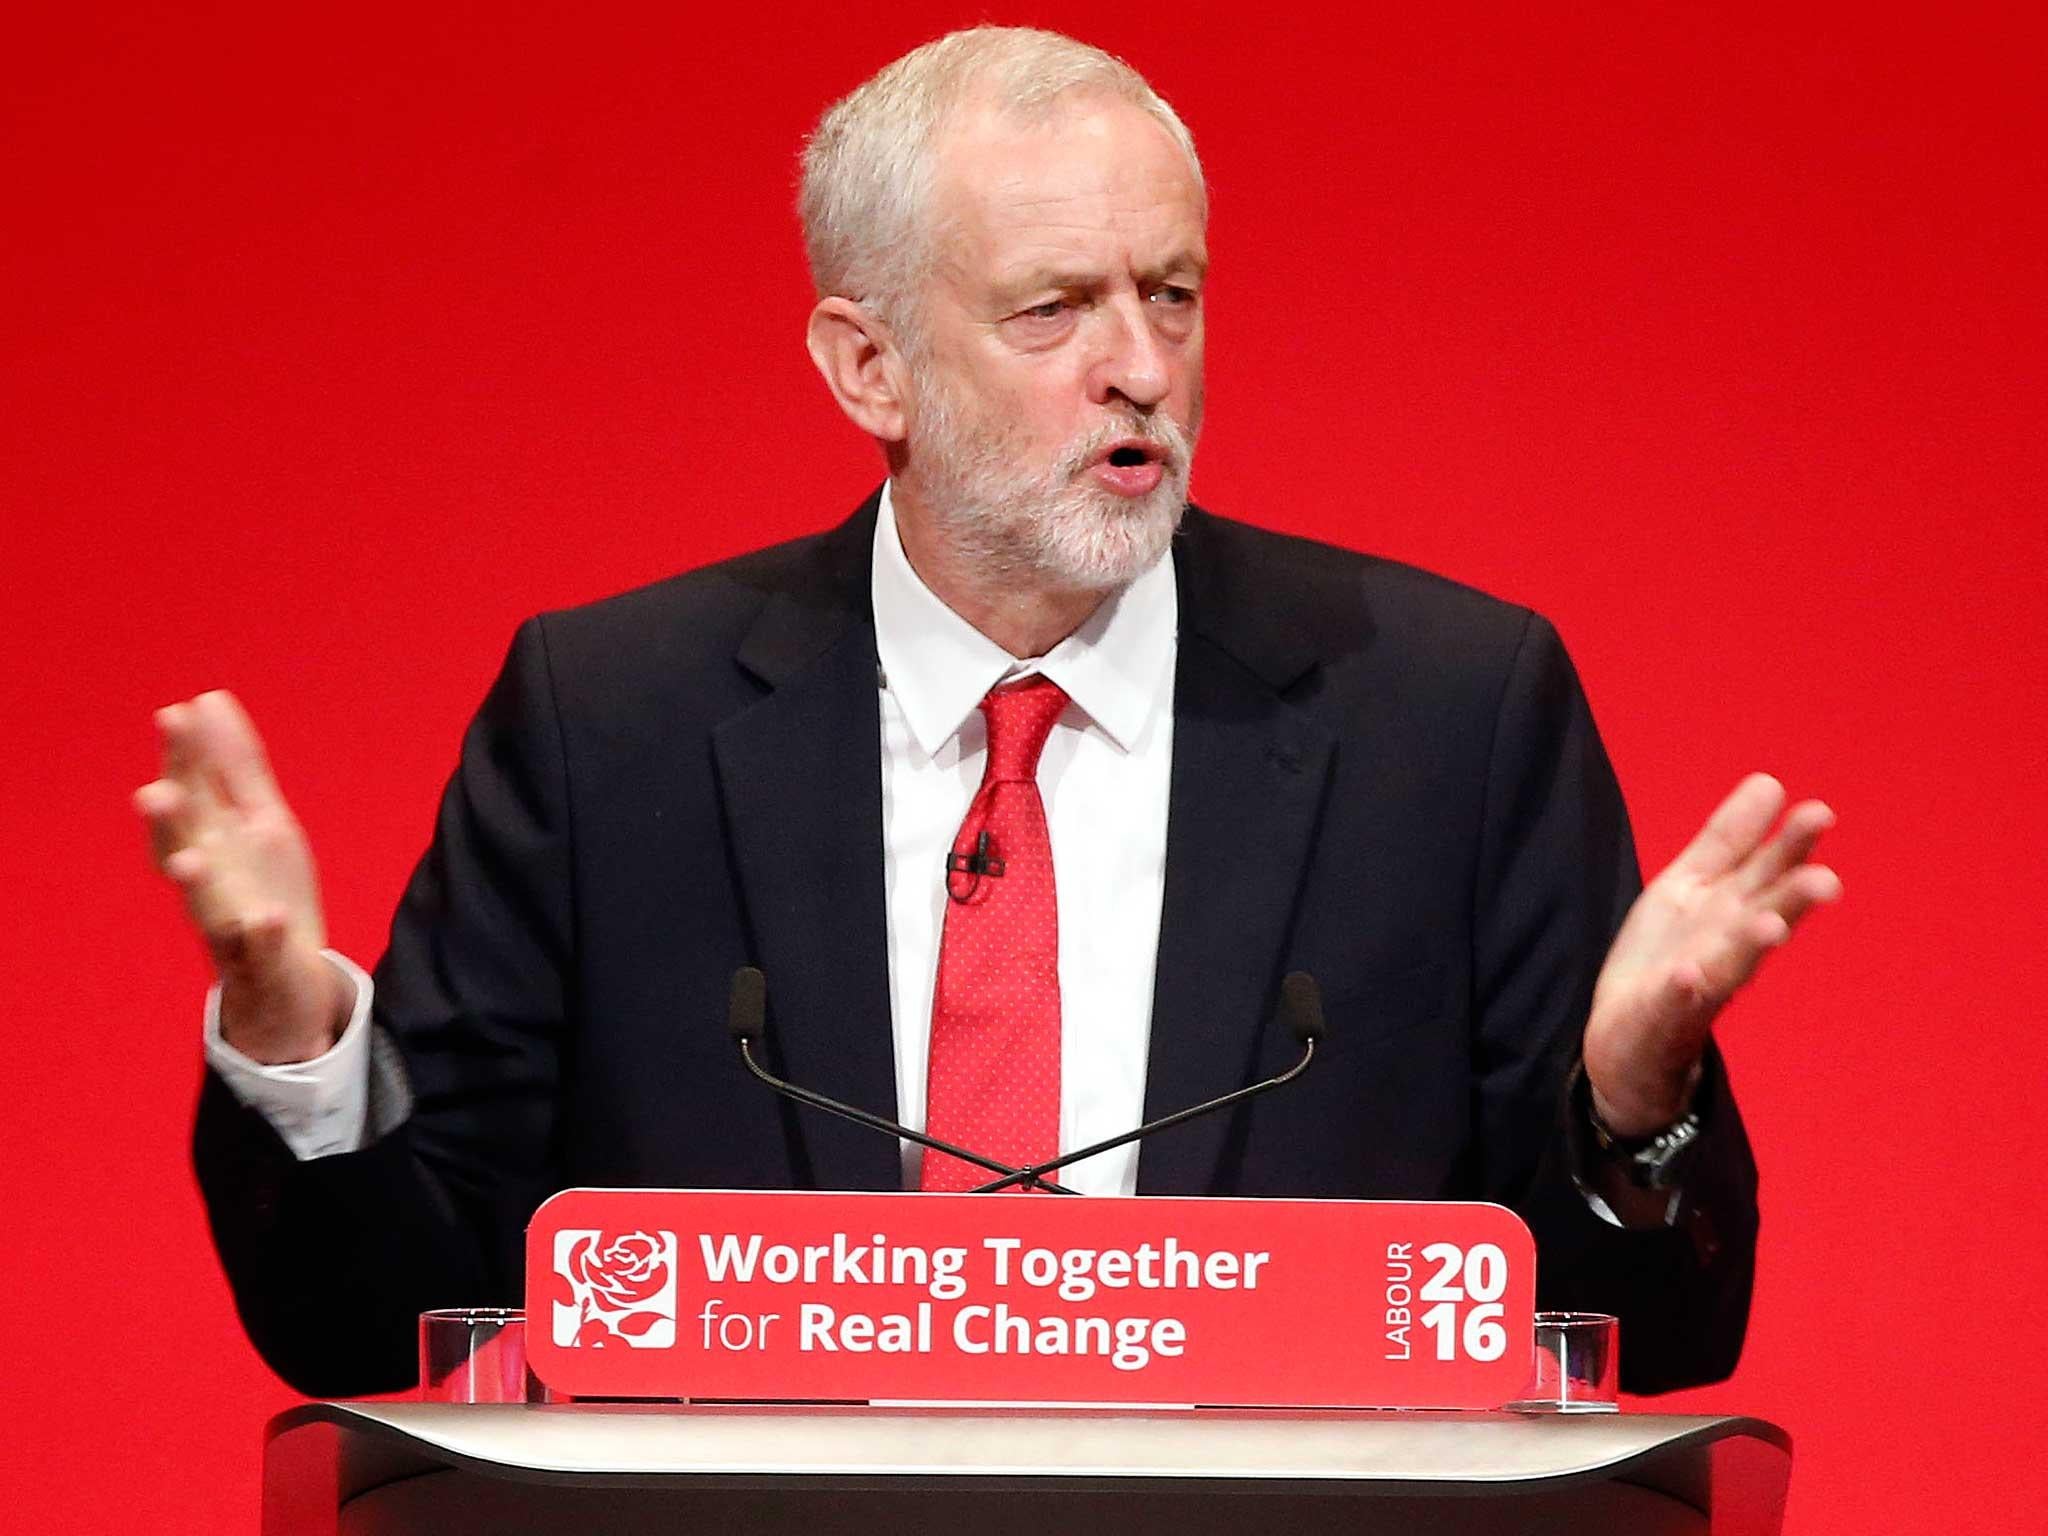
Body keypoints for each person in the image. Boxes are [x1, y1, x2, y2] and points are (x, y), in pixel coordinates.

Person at [136, 27, 1840, 1399]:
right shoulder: (609, 726)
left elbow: (1660, 1341)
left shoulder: (1451, 720)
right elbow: (389, 1324)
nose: (1143, 368)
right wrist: (295, 1032)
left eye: (1169, 293)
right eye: (1054, 309)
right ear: (865, 365)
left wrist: (1631, 1099)